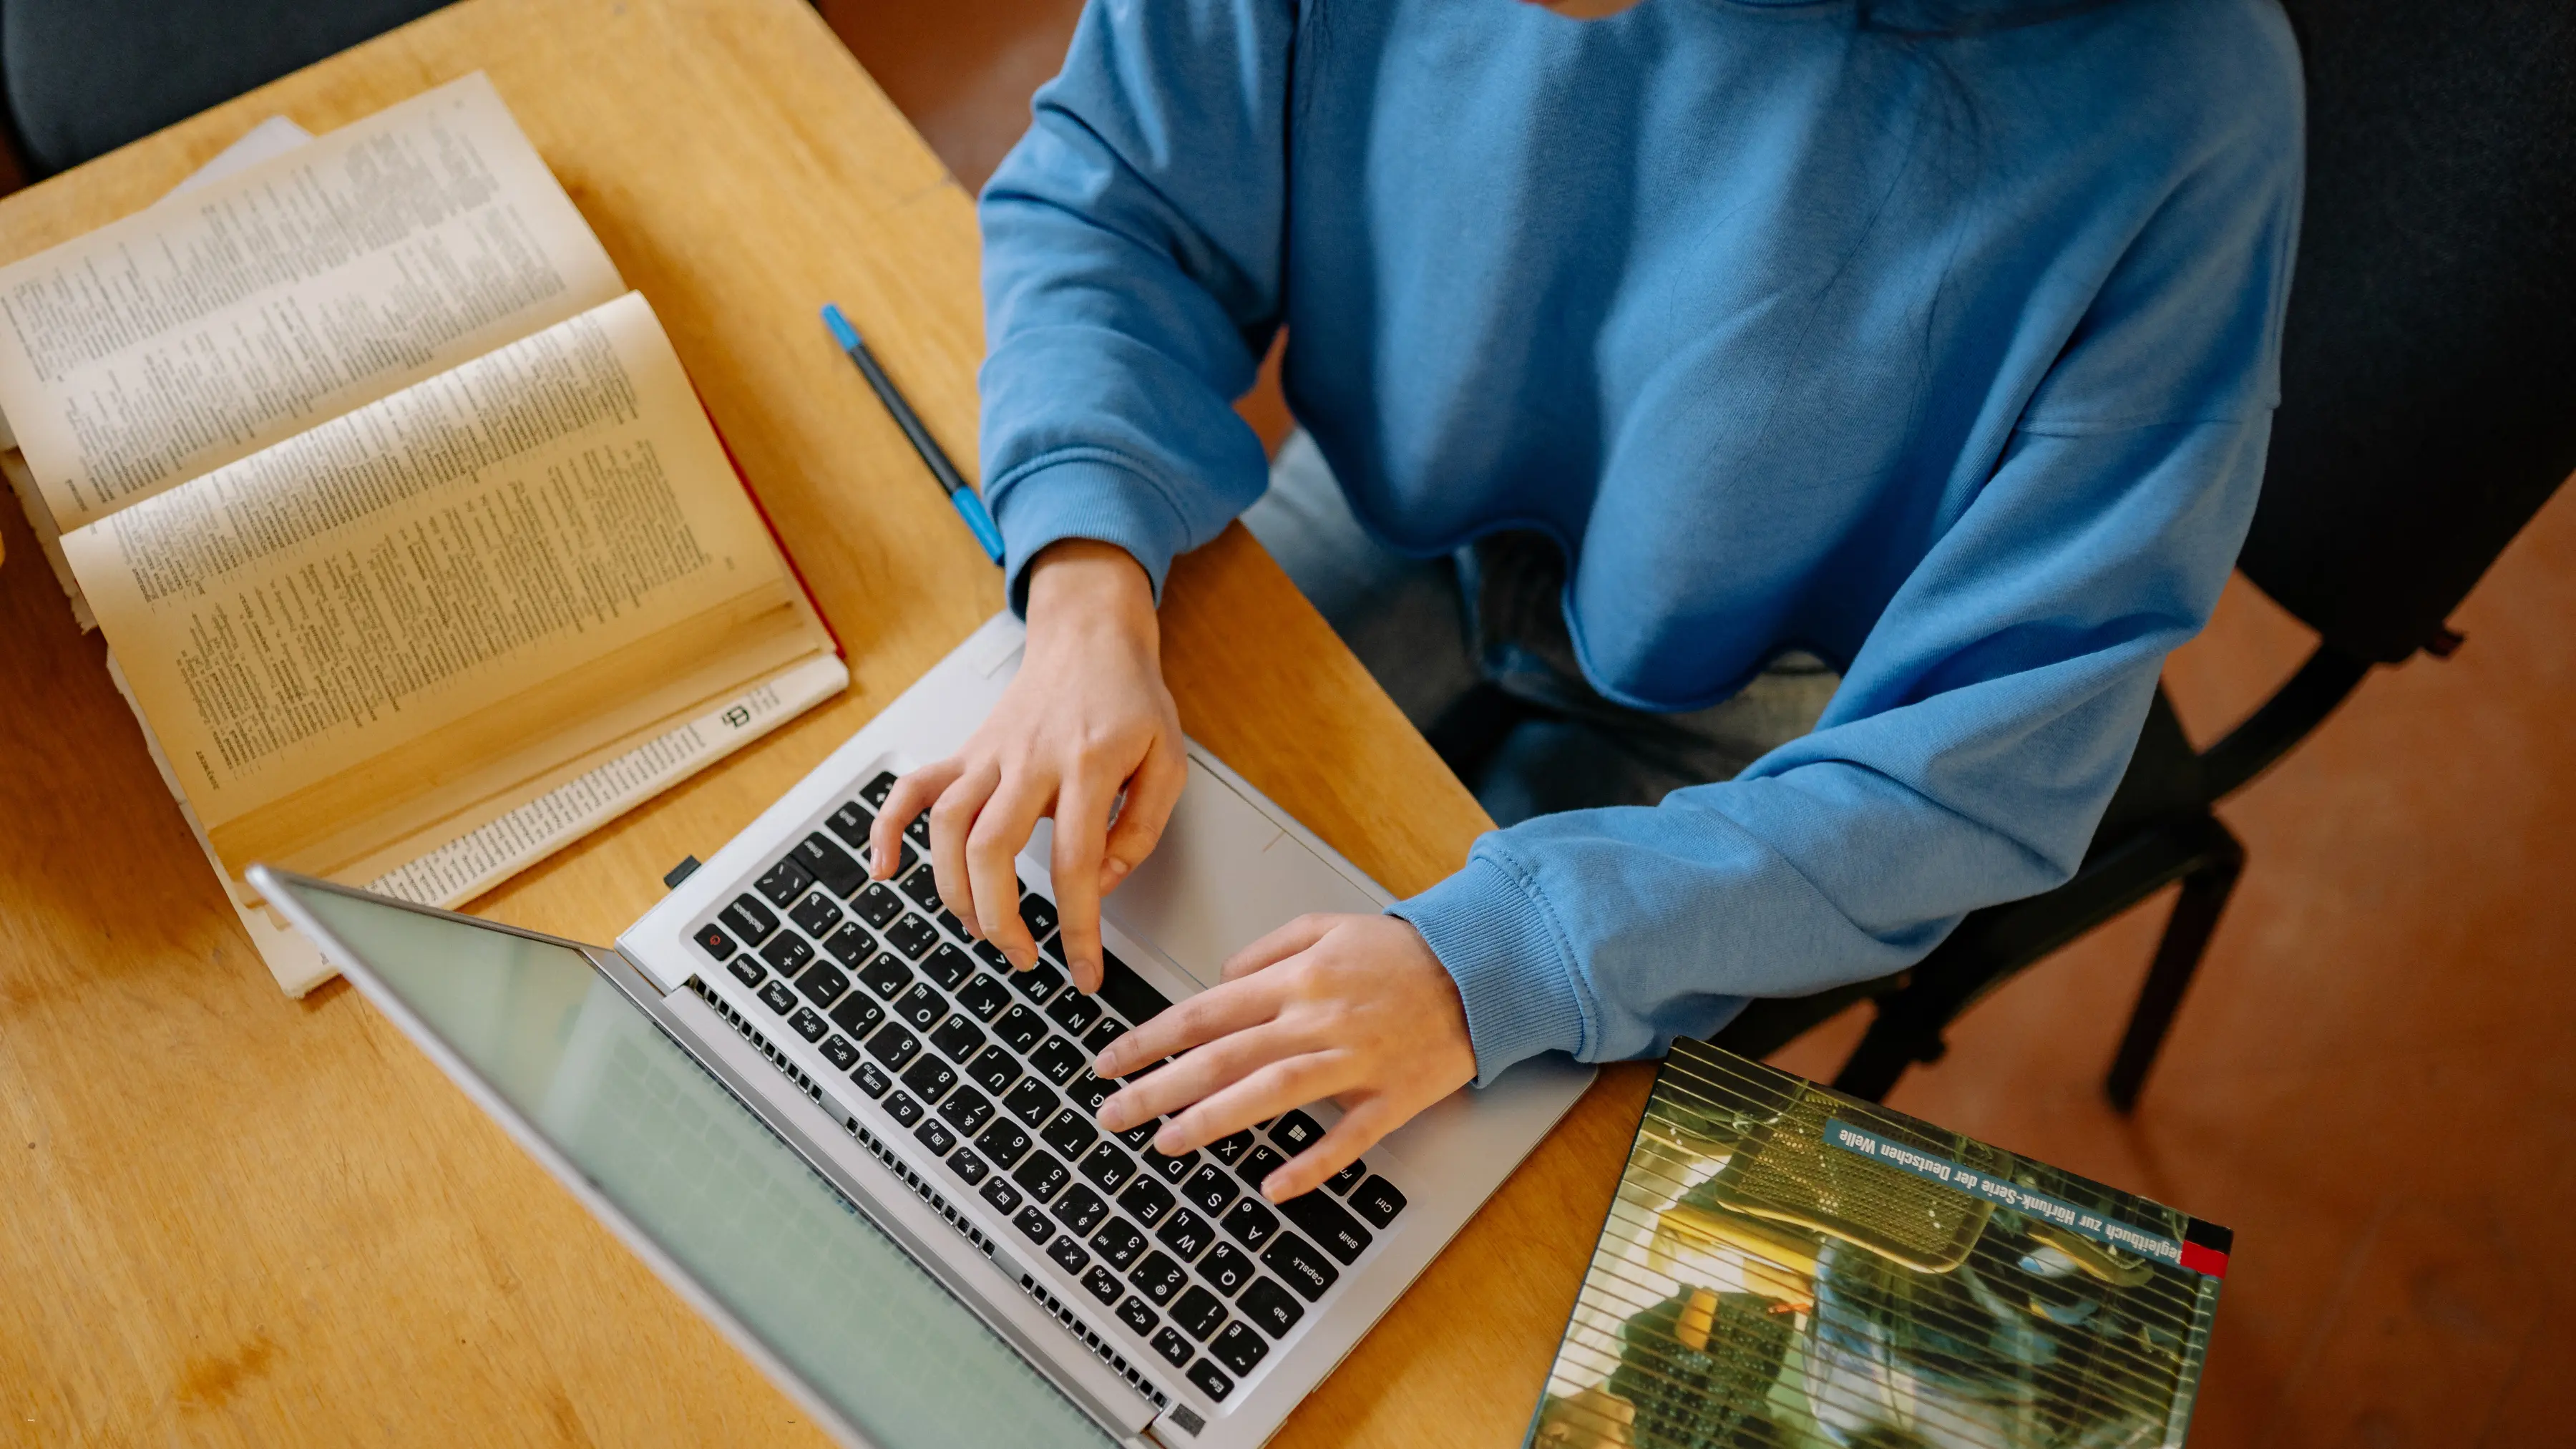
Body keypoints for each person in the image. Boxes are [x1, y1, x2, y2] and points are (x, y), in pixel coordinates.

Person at [867, 0, 2302, 1204]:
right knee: (989, 996)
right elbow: (1122, 197)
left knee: (1373, 1198)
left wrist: (1494, 966)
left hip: (1766, 703)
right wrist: (1087, 592)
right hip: (1389, 504)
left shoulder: (2186, 108)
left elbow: (1982, 763)